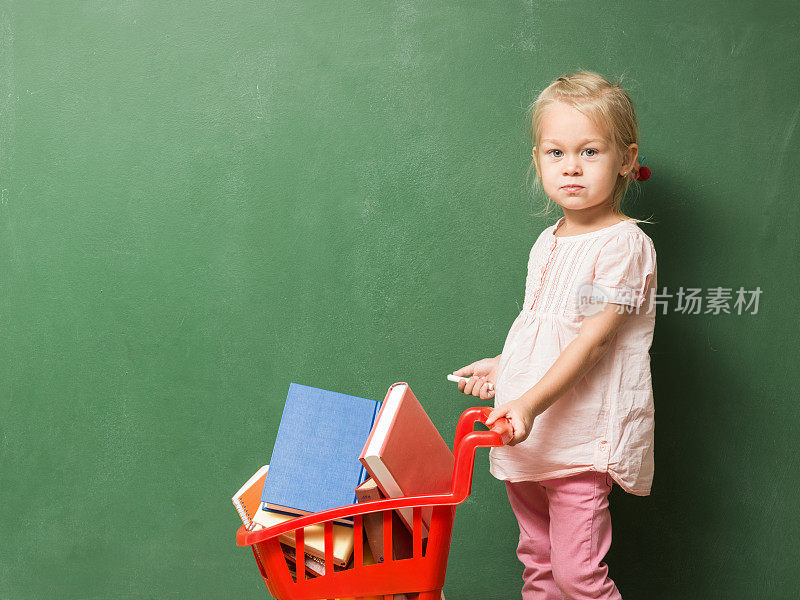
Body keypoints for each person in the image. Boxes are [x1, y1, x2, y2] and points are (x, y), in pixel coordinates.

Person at [453, 70, 657, 600]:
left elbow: (593, 340)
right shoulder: (547, 240)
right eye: (555, 152)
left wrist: (527, 404)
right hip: (528, 433)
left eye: (590, 152)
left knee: (577, 576)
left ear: (626, 160)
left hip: (577, 437)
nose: (571, 167)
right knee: (539, 565)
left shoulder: (623, 245)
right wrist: (505, 367)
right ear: (538, 160)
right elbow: (546, 325)